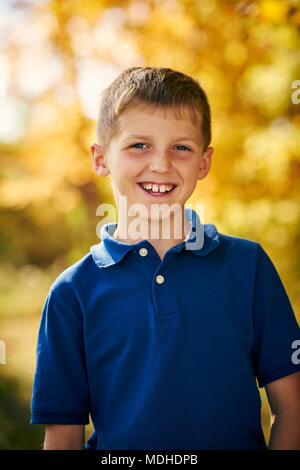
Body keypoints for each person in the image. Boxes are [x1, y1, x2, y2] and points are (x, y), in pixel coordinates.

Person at [30, 66, 300, 450]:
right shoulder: (72, 293)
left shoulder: (248, 266)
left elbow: (291, 409)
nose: (161, 164)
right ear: (101, 158)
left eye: (182, 147)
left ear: (204, 163)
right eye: (139, 145)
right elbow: (63, 436)